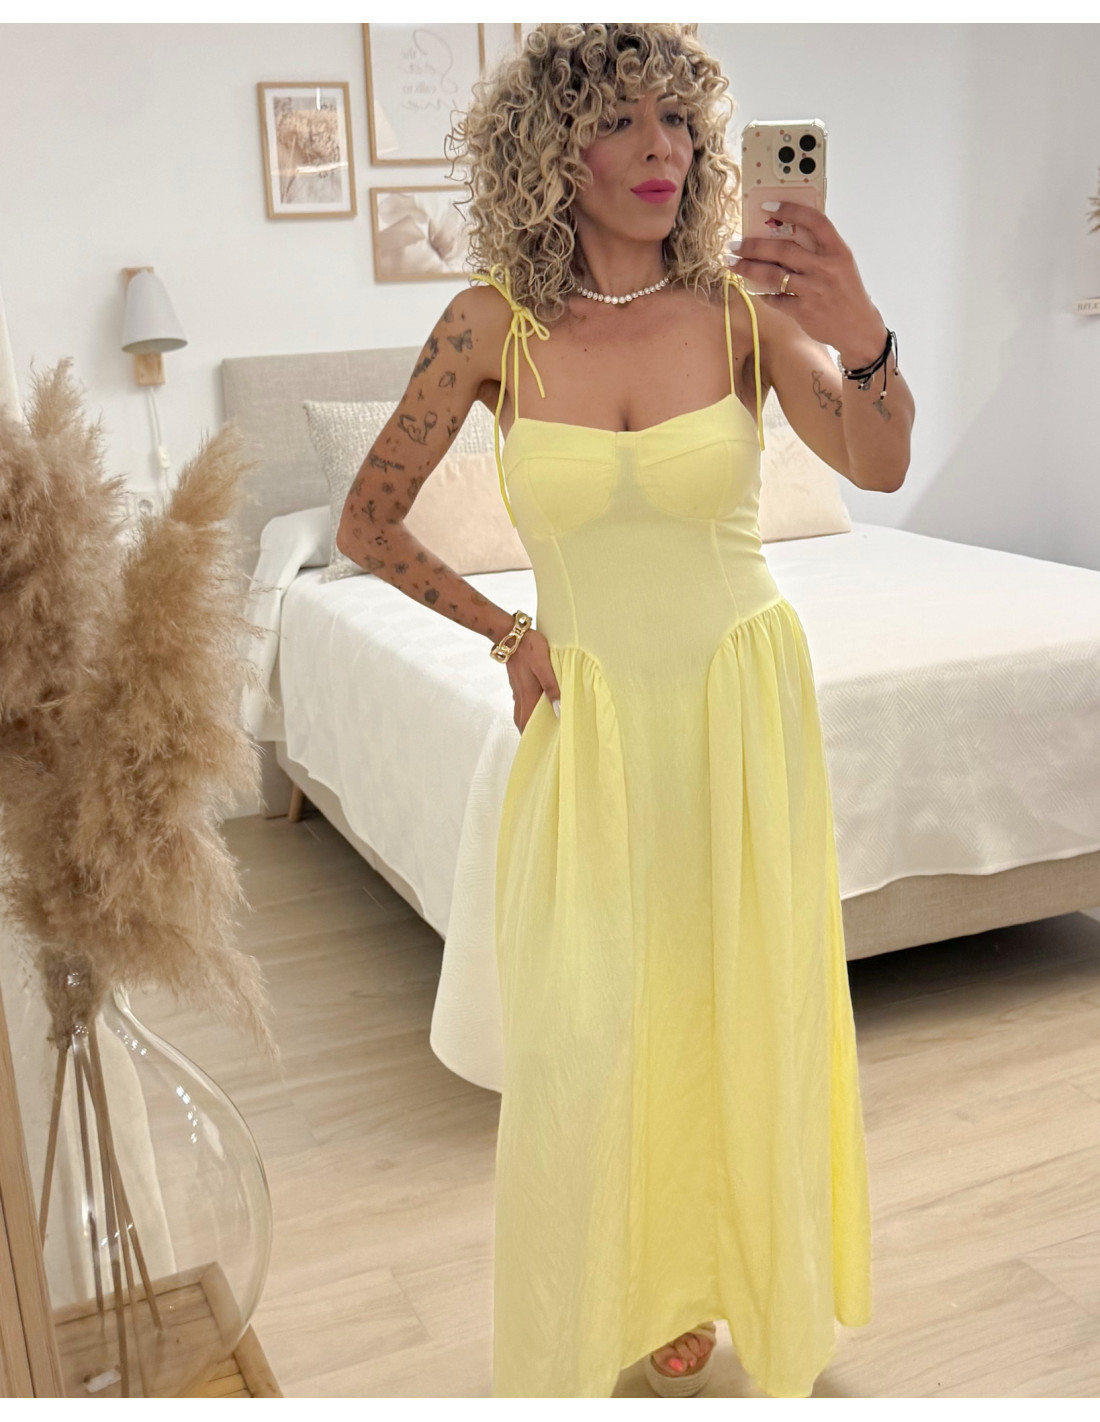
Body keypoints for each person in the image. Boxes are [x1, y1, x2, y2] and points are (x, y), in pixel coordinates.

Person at [336, 22, 913, 1399]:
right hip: (593, 723)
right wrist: (507, 631)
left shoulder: (744, 311)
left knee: (739, 1008)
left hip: (741, 711)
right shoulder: (490, 323)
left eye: (678, 121)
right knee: (590, 1031)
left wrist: (862, 332)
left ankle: (714, 1276)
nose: (663, 149)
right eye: (620, 121)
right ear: (556, 152)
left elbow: (880, 464)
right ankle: (617, 1282)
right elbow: (365, 522)